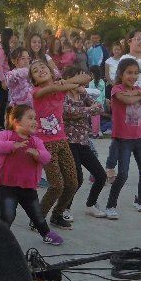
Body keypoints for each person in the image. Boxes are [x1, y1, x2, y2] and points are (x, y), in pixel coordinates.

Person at [30, 59, 89, 230]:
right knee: (56, 185)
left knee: (72, 183)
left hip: (62, 141)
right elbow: (52, 89)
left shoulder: (61, 85)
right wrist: (63, 84)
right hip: (45, 144)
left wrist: (66, 81)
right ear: (34, 80)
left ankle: (57, 215)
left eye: (43, 67)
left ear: (51, 71)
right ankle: (38, 218)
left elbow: (86, 78)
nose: (40, 70)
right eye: (35, 71)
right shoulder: (36, 92)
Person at [0, 105, 62, 245]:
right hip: (7, 185)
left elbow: (47, 157)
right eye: (30, 118)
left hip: (28, 186)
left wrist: (37, 154)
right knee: (8, 215)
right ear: (17, 121)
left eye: (35, 118)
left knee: (37, 214)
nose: (35, 121)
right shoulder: (7, 135)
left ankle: (46, 234)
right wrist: (12, 145)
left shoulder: (36, 141)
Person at [105, 58, 141, 218]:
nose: (133, 76)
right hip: (123, 139)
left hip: (139, 138)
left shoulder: (137, 89)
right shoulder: (116, 89)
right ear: (120, 74)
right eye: (129, 73)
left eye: (136, 73)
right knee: (123, 174)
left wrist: (138, 92)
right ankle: (110, 206)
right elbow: (127, 100)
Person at [61, 65, 106, 218]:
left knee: (101, 175)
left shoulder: (83, 95)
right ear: (69, 79)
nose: (82, 82)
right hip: (69, 142)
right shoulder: (63, 95)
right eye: (79, 77)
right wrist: (87, 110)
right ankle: (64, 208)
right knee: (76, 179)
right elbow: (67, 112)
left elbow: (99, 108)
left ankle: (91, 205)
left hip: (83, 142)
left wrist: (85, 97)